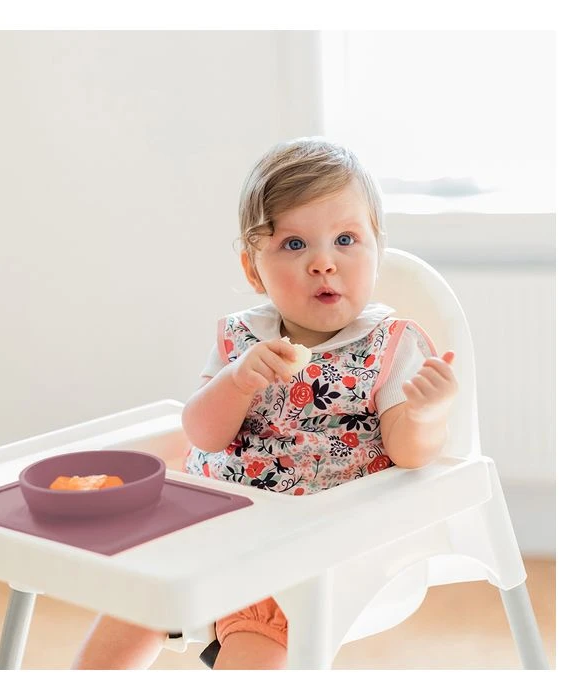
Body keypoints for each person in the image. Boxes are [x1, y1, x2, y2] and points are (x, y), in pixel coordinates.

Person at [72, 136, 458, 670]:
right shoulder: (242, 339)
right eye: (294, 244)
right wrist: (236, 381)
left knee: (256, 640)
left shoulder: (391, 346)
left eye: (346, 239)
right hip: (208, 525)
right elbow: (202, 434)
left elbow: (409, 453)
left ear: (377, 251)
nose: (323, 263)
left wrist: (425, 413)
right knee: (134, 597)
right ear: (253, 269)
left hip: (306, 551)